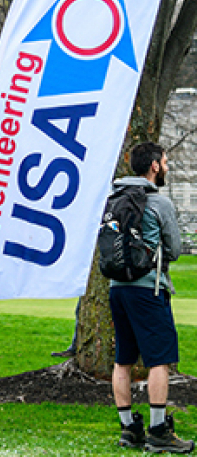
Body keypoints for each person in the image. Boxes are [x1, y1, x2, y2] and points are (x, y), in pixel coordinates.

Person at [109, 142, 193, 453]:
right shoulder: (159, 202)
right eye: (166, 162)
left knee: (124, 360)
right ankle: (158, 431)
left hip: (117, 289)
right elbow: (173, 249)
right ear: (154, 166)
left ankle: (129, 429)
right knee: (160, 359)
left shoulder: (112, 198)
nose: (167, 167)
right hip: (149, 288)